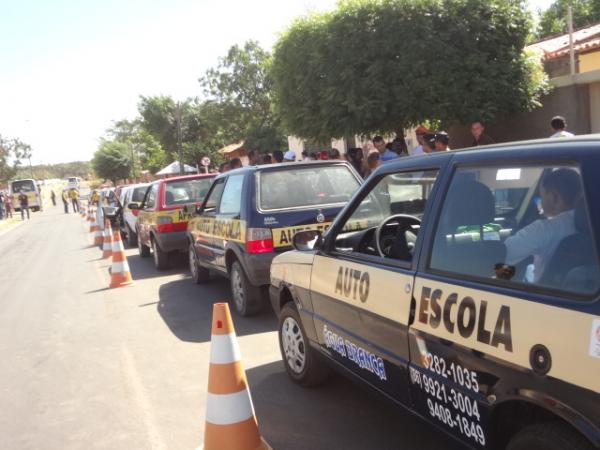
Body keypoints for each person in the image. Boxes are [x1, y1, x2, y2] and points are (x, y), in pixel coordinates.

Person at [505, 168, 582, 283]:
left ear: (554, 198)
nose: (540, 203)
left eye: (542, 196)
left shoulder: (544, 229)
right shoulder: (592, 223)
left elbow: (501, 255)